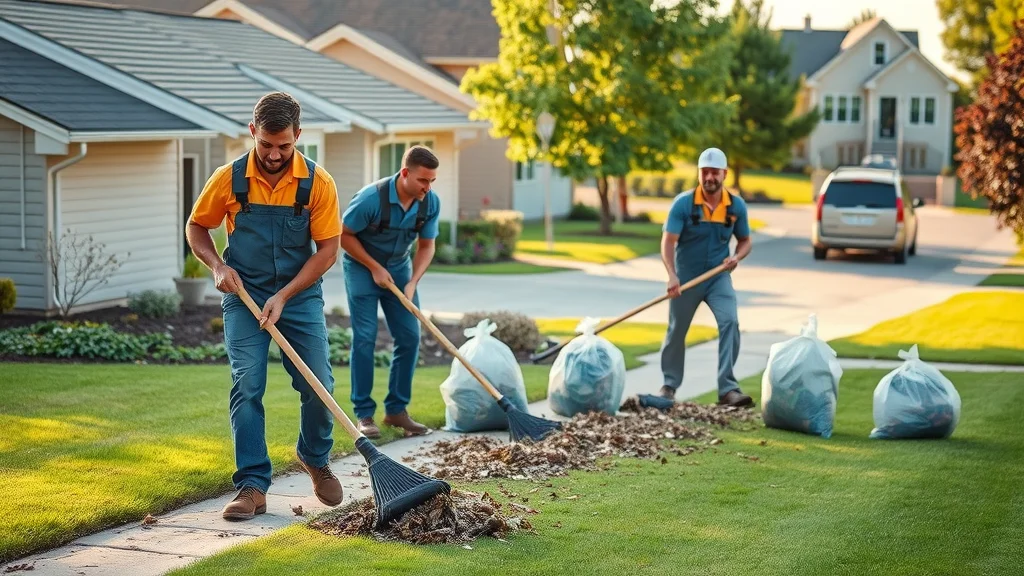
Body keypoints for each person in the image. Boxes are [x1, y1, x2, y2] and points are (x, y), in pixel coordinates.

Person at [186, 92, 344, 521]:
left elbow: (328, 250)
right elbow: (197, 226)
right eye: (266, 144)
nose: (274, 155)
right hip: (244, 294)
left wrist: (284, 296)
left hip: (298, 294)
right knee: (248, 383)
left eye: (285, 146)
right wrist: (217, 265)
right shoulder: (229, 178)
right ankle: (252, 485)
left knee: (318, 386)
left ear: (298, 136)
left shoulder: (317, 183)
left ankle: (314, 456)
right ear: (253, 132)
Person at [340, 146, 441, 439]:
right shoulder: (371, 199)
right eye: (423, 180)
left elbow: (426, 246)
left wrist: (412, 283)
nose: (428, 187)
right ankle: (364, 414)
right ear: (405, 173)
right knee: (366, 337)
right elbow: (343, 236)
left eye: (432, 181)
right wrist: (373, 267)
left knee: (410, 336)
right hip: (361, 267)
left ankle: (396, 411)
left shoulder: (429, 203)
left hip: (399, 268)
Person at [658, 147, 754, 408]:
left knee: (730, 322)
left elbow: (745, 241)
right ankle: (669, 385)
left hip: (717, 277)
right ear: (699, 174)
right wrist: (671, 275)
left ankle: (728, 389)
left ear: (724, 174)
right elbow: (668, 242)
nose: (710, 177)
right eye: (705, 172)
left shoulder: (736, 207)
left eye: (715, 172)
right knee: (677, 330)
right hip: (686, 279)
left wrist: (736, 257)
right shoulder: (684, 205)